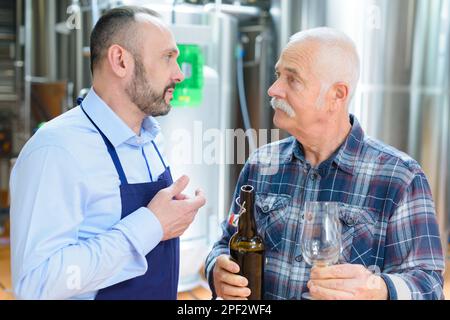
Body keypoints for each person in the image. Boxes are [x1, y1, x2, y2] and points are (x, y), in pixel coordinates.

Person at [205, 27, 445, 300]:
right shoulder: (261, 164)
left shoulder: (400, 177)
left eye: (292, 79)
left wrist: (379, 290)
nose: (273, 89)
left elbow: (429, 286)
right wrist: (217, 269)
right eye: (277, 75)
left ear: (337, 96)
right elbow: (225, 243)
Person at [10, 6, 206, 300]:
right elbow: (36, 284)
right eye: (168, 57)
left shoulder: (153, 139)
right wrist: (151, 225)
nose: (179, 74)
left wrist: (171, 216)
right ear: (120, 61)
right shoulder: (56, 149)